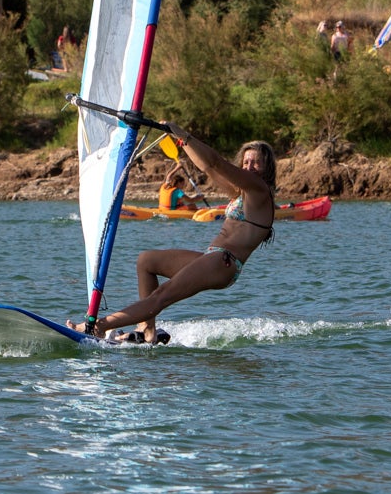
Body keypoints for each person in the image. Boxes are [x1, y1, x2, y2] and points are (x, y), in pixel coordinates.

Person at [90, 124, 276, 344]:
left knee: (162, 295)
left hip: (225, 262)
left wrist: (183, 134)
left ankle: (97, 326)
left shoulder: (259, 189)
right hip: (212, 257)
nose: (249, 166)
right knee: (146, 261)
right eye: (246, 161)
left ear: (267, 168)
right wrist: (180, 139)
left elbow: (215, 162)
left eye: (255, 162)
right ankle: (147, 331)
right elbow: (209, 169)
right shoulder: (242, 192)